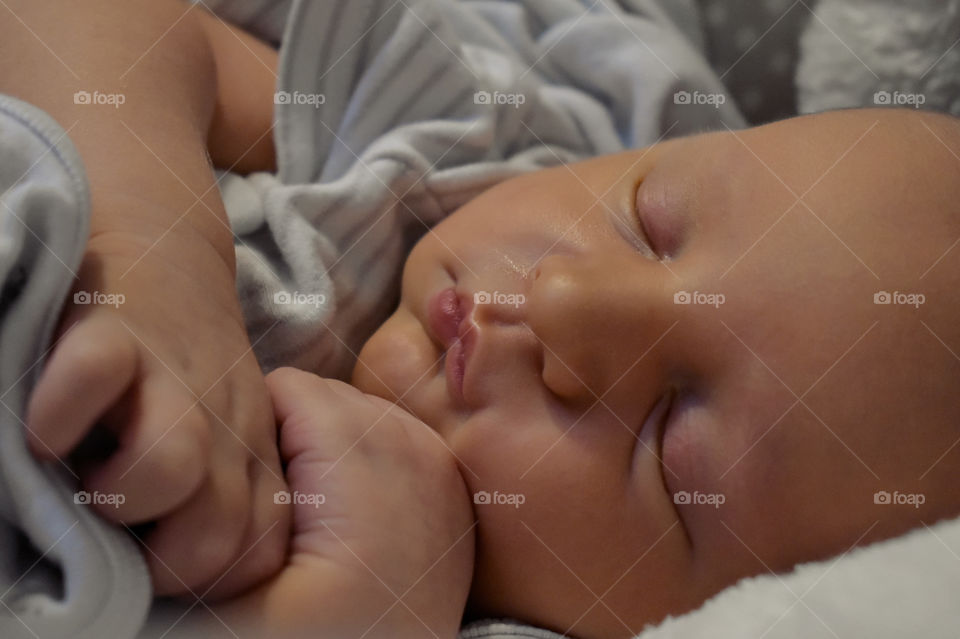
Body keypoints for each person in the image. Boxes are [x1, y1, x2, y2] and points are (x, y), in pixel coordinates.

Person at [8, 0, 960, 637]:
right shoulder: (454, 151)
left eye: (673, 446)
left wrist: (369, 608)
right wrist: (149, 251)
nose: (563, 301)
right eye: (651, 221)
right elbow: (81, 24)